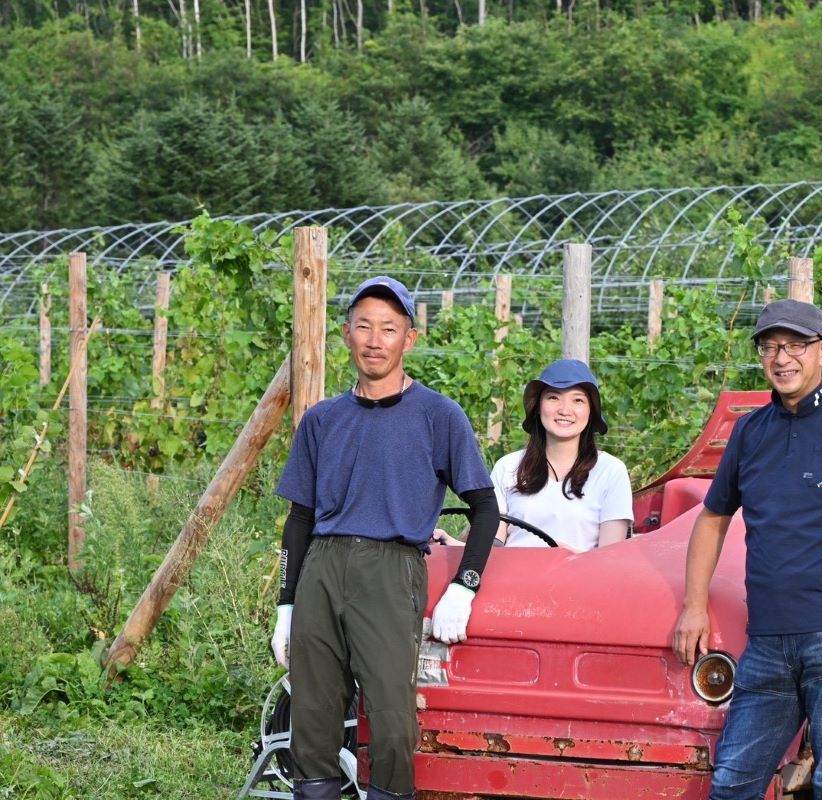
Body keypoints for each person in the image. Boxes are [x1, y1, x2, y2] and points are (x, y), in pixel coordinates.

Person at [269, 275, 500, 800]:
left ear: (408, 339)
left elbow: (485, 509)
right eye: (364, 327)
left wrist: (465, 585)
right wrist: (287, 604)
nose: (375, 340)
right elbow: (299, 519)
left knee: (393, 720)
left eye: (389, 329)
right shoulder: (322, 420)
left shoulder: (439, 416)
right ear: (346, 334)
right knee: (313, 713)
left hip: (391, 571)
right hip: (321, 570)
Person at [671, 299, 822, 800]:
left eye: (795, 346)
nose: (782, 358)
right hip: (768, 644)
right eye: (770, 347)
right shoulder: (750, 433)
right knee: (733, 783)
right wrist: (693, 606)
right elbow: (712, 520)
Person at [490, 359, 633, 551]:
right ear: (538, 407)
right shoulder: (507, 467)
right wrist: (455, 545)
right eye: (553, 397)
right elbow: (493, 545)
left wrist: (564, 557)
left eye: (578, 400)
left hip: (579, 578)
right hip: (513, 575)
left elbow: (610, 557)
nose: (565, 410)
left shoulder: (611, 471)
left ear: (591, 411)